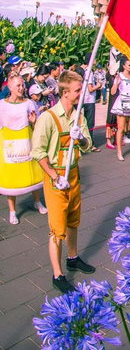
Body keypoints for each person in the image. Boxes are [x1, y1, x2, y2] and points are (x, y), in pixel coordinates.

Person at [31, 70, 95, 293]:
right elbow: (37, 153)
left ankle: (73, 257)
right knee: (57, 229)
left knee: (73, 221)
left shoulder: (79, 116)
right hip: (56, 178)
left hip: (74, 175)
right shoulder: (47, 118)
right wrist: (55, 177)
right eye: (78, 90)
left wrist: (81, 137)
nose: (81, 93)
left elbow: (87, 147)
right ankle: (57, 275)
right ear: (65, 92)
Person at [0, 75, 47, 225]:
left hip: (27, 143)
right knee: (11, 179)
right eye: (18, 85)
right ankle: (12, 211)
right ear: (10, 87)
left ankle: (37, 201)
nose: (21, 88)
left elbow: (37, 125)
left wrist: (33, 123)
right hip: (9, 146)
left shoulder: (29, 103)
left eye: (22, 85)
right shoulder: (1, 105)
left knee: (32, 173)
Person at [82, 66, 101, 152]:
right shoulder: (89, 72)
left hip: (85, 99)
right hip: (89, 100)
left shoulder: (85, 70)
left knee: (86, 122)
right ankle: (90, 144)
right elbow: (90, 89)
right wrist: (98, 86)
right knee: (90, 123)